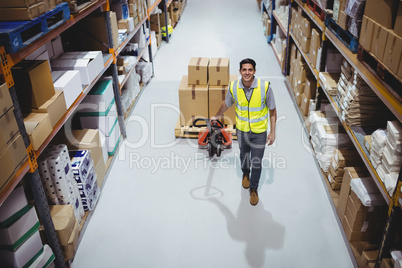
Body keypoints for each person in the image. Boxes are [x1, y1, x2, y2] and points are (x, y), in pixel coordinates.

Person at [211, 58, 277, 206]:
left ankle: (253, 188)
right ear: (240, 71)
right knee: (244, 155)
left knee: (257, 161)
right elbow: (226, 103)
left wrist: (272, 132)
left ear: (254, 71)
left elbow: (272, 110)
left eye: (250, 70)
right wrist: (216, 116)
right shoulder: (234, 87)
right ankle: (245, 173)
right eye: (244, 70)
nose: (247, 73)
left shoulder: (265, 87)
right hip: (241, 130)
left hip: (259, 132)